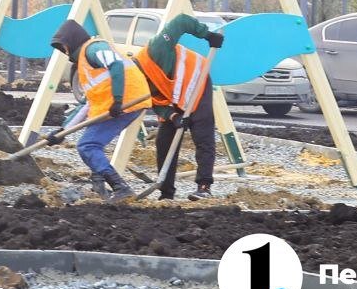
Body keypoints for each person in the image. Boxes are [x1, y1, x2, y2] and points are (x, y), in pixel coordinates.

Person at [48, 19, 152, 202]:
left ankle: (121, 188)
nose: (64, 52)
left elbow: (116, 65)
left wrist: (118, 99)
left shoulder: (93, 49)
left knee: (88, 145)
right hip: (116, 104)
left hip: (127, 102)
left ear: (72, 41)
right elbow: (88, 104)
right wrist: (62, 132)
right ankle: (99, 186)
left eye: (64, 47)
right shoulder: (84, 64)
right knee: (90, 143)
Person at [133, 14, 225, 199]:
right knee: (164, 141)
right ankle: (166, 193)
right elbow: (157, 104)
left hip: (197, 82)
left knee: (202, 134)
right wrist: (174, 117)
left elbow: (181, 21)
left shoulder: (157, 49)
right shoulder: (136, 87)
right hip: (176, 98)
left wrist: (207, 35)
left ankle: (204, 187)